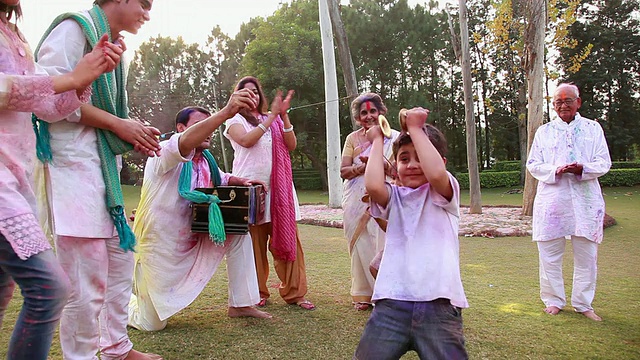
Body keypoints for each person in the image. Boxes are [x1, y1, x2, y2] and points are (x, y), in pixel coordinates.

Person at [35, 0, 164, 359]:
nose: (147, 13)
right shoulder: (73, 30)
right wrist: (118, 125)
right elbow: (48, 95)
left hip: (102, 173)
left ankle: (116, 348)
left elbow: (107, 113)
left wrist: (131, 131)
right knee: (84, 282)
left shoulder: (115, 48)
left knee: (121, 266)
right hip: (71, 171)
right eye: (143, 3)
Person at [0, 2, 122, 359]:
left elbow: (47, 105)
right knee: (49, 288)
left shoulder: (14, 34)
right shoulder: (60, 29)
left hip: (16, 178)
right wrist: (69, 77)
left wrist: (86, 77)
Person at [128, 101, 274, 332]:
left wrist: (240, 180)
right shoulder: (164, 150)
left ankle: (241, 304)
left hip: (195, 234)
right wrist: (226, 112)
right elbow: (183, 145)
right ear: (180, 128)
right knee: (151, 324)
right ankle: (119, 302)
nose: (209, 130)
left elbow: (220, 178)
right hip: (160, 247)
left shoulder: (206, 160)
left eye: (210, 126)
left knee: (238, 234)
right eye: (201, 125)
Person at [354, 108, 468, 359]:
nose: (413, 165)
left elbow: (435, 173)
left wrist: (415, 128)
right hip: (391, 304)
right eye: (404, 159)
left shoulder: (445, 193)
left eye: (421, 157)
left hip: (439, 304)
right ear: (395, 166)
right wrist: (376, 142)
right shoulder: (395, 197)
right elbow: (373, 184)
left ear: (441, 161)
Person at [224, 76, 315, 310]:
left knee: (289, 242)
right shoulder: (234, 120)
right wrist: (272, 117)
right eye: (245, 91)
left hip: (280, 191)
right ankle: (257, 293)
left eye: (255, 91)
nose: (251, 95)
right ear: (237, 96)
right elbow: (246, 141)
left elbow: (291, 145)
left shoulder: (271, 119)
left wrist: (282, 115)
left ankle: (295, 293)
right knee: (252, 247)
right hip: (251, 192)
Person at [526, 83, 611, 322]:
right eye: (558, 102)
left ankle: (584, 304)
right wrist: (556, 170)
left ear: (578, 102)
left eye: (568, 100)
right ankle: (553, 301)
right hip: (553, 201)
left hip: (585, 201)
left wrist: (583, 168)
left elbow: (604, 162)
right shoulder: (544, 132)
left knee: (586, 256)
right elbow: (533, 164)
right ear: (553, 105)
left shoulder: (593, 129)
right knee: (549, 255)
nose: (563, 105)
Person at [340, 93, 399, 311]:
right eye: (363, 113)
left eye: (372, 111)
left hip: (385, 197)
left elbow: (396, 171)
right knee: (359, 244)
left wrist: (377, 163)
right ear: (357, 117)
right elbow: (343, 171)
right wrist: (364, 167)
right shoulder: (352, 139)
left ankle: (386, 295)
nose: (368, 116)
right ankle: (363, 295)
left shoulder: (395, 138)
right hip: (355, 200)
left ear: (381, 112)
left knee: (384, 243)